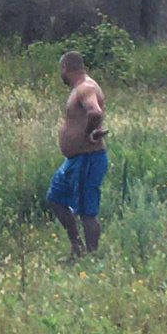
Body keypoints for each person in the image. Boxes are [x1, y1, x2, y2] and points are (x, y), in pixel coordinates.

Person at [47, 51, 108, 259]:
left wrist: (87, 134)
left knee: (86, 212)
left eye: (60, 71)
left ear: (65, 68)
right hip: (74, 160)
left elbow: (95, 112)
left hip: (87, 158)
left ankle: (91, 258)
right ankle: (77, 246)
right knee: (55, 198)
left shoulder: (85, 88)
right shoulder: (78, 89)